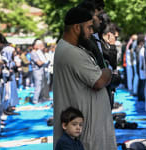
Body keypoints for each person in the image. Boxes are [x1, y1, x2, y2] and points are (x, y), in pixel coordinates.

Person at [53, 7, 117, 150]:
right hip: (88, 133)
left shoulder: (70, 49)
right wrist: (107, 71)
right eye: (88, 27)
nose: (92, 32)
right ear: (76, 27)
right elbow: (99, 81)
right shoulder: (72, 52)